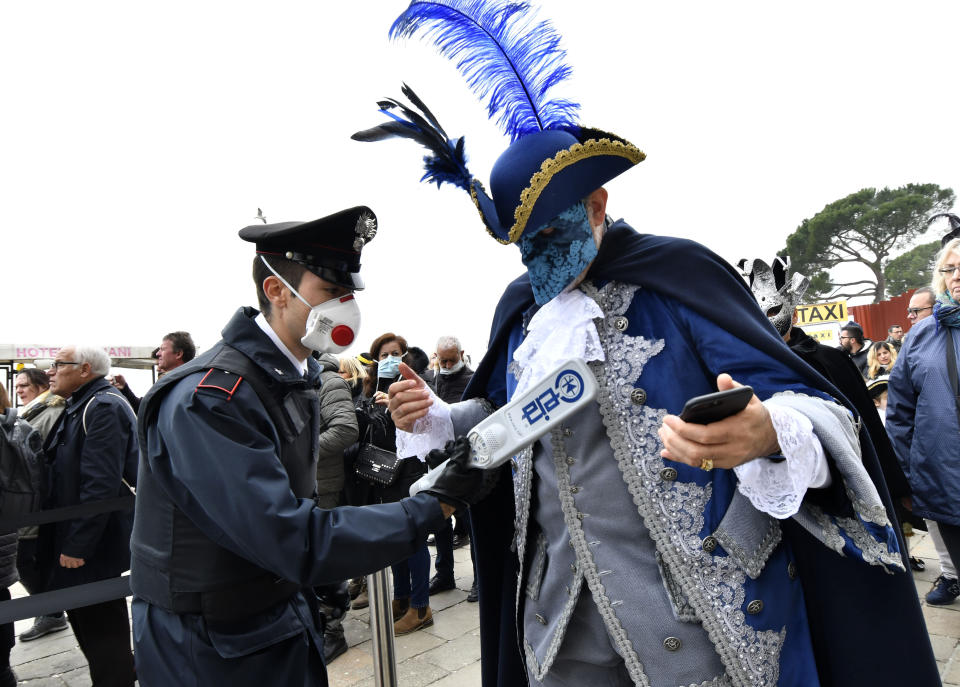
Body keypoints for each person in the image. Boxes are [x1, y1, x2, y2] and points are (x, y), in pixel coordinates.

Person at [359, 5, 938, 683]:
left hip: (697, 620)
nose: (535, 266)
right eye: (522, 249)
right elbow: (506, 422)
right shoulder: (522, 313)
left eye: (549, 240)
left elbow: (814, 404)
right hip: (559, 619)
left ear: (597, 205)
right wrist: (440, 415)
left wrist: (769, 430)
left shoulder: (678, 278)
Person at [129, 207, 479, 686]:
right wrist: (430, 507)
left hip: (272, 619)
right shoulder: (210, 399)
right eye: (331, 292)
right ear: (276, 291)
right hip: (211, 647)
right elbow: (287, 535)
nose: (346, 306)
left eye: (348, 293)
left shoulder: (298, 374)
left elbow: (299, 499)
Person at [44, 345, 138, 687]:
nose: (51, 371)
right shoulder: (81, 404)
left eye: (58, 365)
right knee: (89, 625)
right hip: (80, 538)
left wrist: (78, 546)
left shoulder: (103, 406)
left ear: (85, 369)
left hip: (92, 546)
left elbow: (99, 485)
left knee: (103, 633)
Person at [888, 236, 960, 609]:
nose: (956, 276)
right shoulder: (921, 337)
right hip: (945, 479)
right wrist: (904, 475)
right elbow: (900, 413)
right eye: (950, 269)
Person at [356, 332, 435, 635]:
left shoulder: (414, 384)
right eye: (383, 354)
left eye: (395, 353)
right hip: (383, 473)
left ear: (404, 356)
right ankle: (400, 598)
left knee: (413, 538)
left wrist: (392, 406)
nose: (389, 359)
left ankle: (421, 606)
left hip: (410, 470)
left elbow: (423, 424)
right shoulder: (369, 388)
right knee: (395, 541)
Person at [12, 368, 69, 642]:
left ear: (39, 387)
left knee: (26, 560)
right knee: (27, 559)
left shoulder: (47, 411)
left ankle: (52, 613)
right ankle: (50, 612)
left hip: (34, 501)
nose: (20, 390)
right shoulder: (33, 411)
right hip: (29, 500)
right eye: (17, 386)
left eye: (24, 385)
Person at [312, 349, 359, 663]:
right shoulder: (293, 381)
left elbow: (345, 429)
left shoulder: (329, 381)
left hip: (323, 486)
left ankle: (334, 632)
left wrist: (301, 451)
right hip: (300, 487)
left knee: (324, 560)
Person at [426, 336, 477, 600]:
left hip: (464, 462)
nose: (446, 365)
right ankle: (444, 574)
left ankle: (479, 578)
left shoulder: (473, 380)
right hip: (437, 461)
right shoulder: (433, 381)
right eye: (442, 360)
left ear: (462, 354)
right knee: (440, 523)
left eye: (451, 360)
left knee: (469, 521)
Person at [111, 331, 196, 412]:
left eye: (163, 349)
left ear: (178, 354)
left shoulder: (188, 386)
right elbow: (145, 408)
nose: (158, 353)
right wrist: (125, 388)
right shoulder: (174, 383)